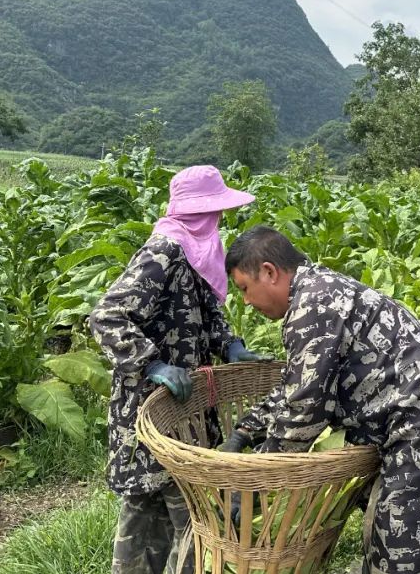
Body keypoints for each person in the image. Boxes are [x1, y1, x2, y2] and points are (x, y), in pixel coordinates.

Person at [219, 226, 420, 574]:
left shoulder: (311, 307)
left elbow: (305, 411)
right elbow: (296, 385)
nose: (247, 302)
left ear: (269, 272)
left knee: (401, 555)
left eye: (244, 289)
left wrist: (255, 484)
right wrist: (245, 430)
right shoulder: (318, 290)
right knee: (417, 547)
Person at [91, 165, 262, 574]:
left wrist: (229, 344)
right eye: (214, 211)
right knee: (168, 512)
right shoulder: (164, 252)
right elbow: (108, 316)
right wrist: (152, 363)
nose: (219, 219)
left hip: (185, 408)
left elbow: (205, 313)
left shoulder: (198, 252)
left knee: (173, 508)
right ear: (198, 213)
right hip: (151, 408)